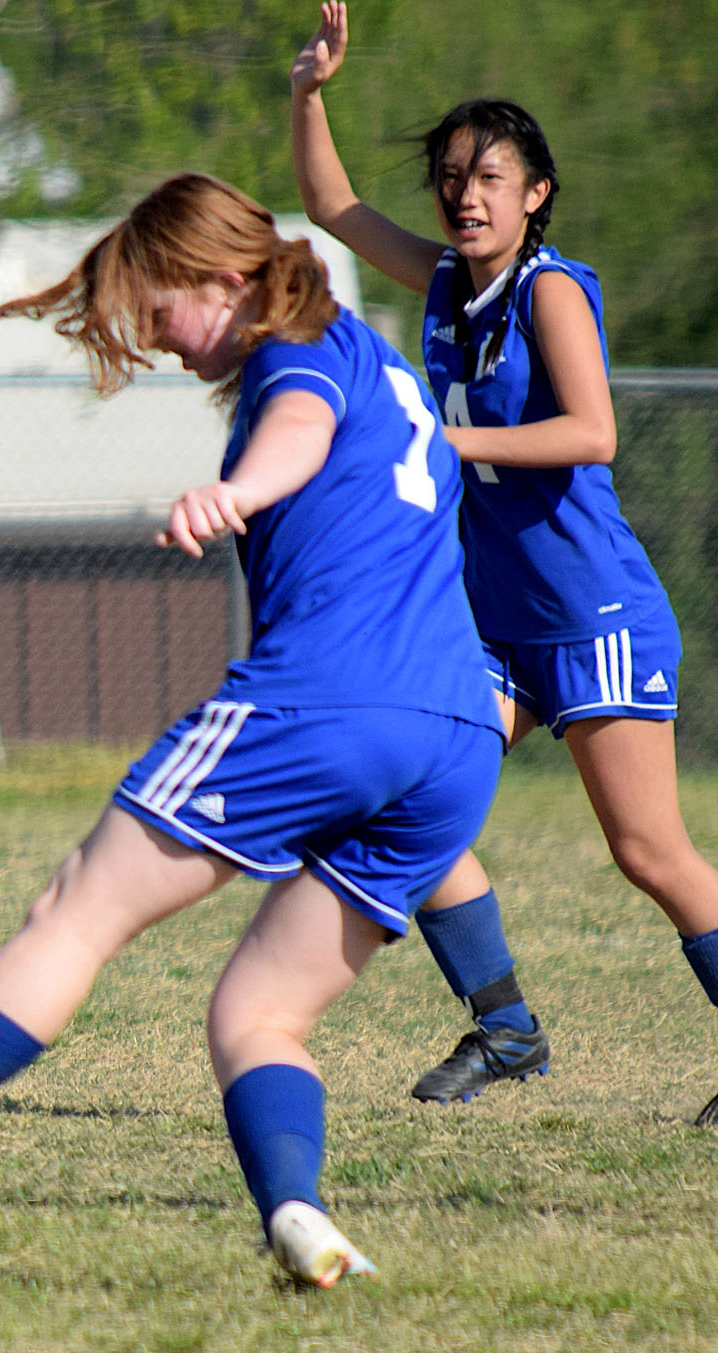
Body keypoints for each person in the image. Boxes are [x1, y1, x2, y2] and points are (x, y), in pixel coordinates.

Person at [0, 172, 504, 1287]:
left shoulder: (294, 357)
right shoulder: (369, 353)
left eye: (161, 309)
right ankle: (298, 1216)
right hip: (455, 738)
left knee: (72, 914)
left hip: (323, 701)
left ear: (226, 279)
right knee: (258, 1013)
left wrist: (236, 494)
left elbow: (295, 429)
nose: (156, 342)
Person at [291, 1, 718, 1119]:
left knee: (650, 857)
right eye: (450, 174)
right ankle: (507, 1029)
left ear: (534, 194)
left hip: (595, 617)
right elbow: (330, 205)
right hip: (493, 623)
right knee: (403, 800)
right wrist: (309, 93)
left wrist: (441, 439)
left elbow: (593, 435)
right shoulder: (442, 280)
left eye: (490, 175)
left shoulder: (550, 289)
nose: (464, 192)